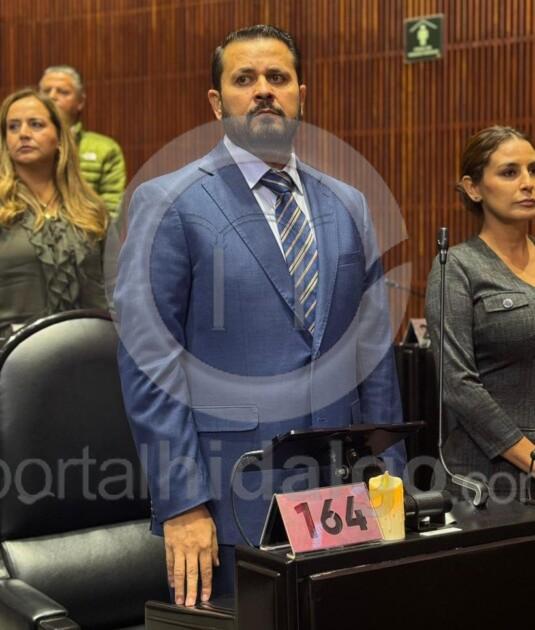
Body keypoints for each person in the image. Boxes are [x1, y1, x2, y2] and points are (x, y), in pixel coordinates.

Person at [114, 25, 404, 607]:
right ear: (217, 103)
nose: (263, 90)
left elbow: (372, 351)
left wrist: (388, 476)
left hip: (344, 497)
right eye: (244, 79)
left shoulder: (349, 202)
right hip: (227, 502)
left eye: (277, 77)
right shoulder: (167, 201)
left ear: (301, 94)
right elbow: (150, 363)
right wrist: (182, 502)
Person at [425, 125, 535, 502]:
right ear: (473, 188)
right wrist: (531, 458)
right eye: (510, 172)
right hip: (489, 480)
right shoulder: (457, 267)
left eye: (533, 170)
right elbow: (457, 385)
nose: (527, 183)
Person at [0, 88, 108, 344]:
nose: (23, 133)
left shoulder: (91, 210)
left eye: (35, 124)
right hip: (10, 356)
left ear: (60, 138)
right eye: (13, 127)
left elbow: (113, 291)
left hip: (87, 351)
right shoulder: (3, 209)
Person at [39, 65, 126, 218]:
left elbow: (112, 211)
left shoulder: (105, 149)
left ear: (80, 101)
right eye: (46, 91)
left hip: (88, 228)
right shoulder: (21, 145)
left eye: (63, 92)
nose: (52, 97)